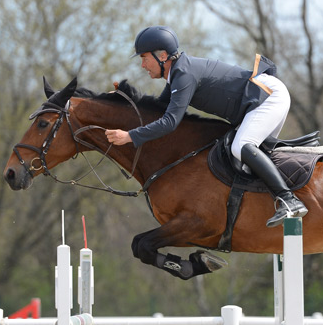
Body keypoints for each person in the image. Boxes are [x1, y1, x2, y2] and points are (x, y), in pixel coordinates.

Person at [106, 25, 307, 227]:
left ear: (163, 56)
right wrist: (122, 105)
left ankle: (289, 201)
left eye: (144, 58)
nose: (142, 65)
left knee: (241, 146)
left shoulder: (184, 74)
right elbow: (157, 111)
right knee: (245, 160)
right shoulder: (177, 75)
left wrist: (130, 136)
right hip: (263, 96)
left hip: (267, 95)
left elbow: (170, 122)